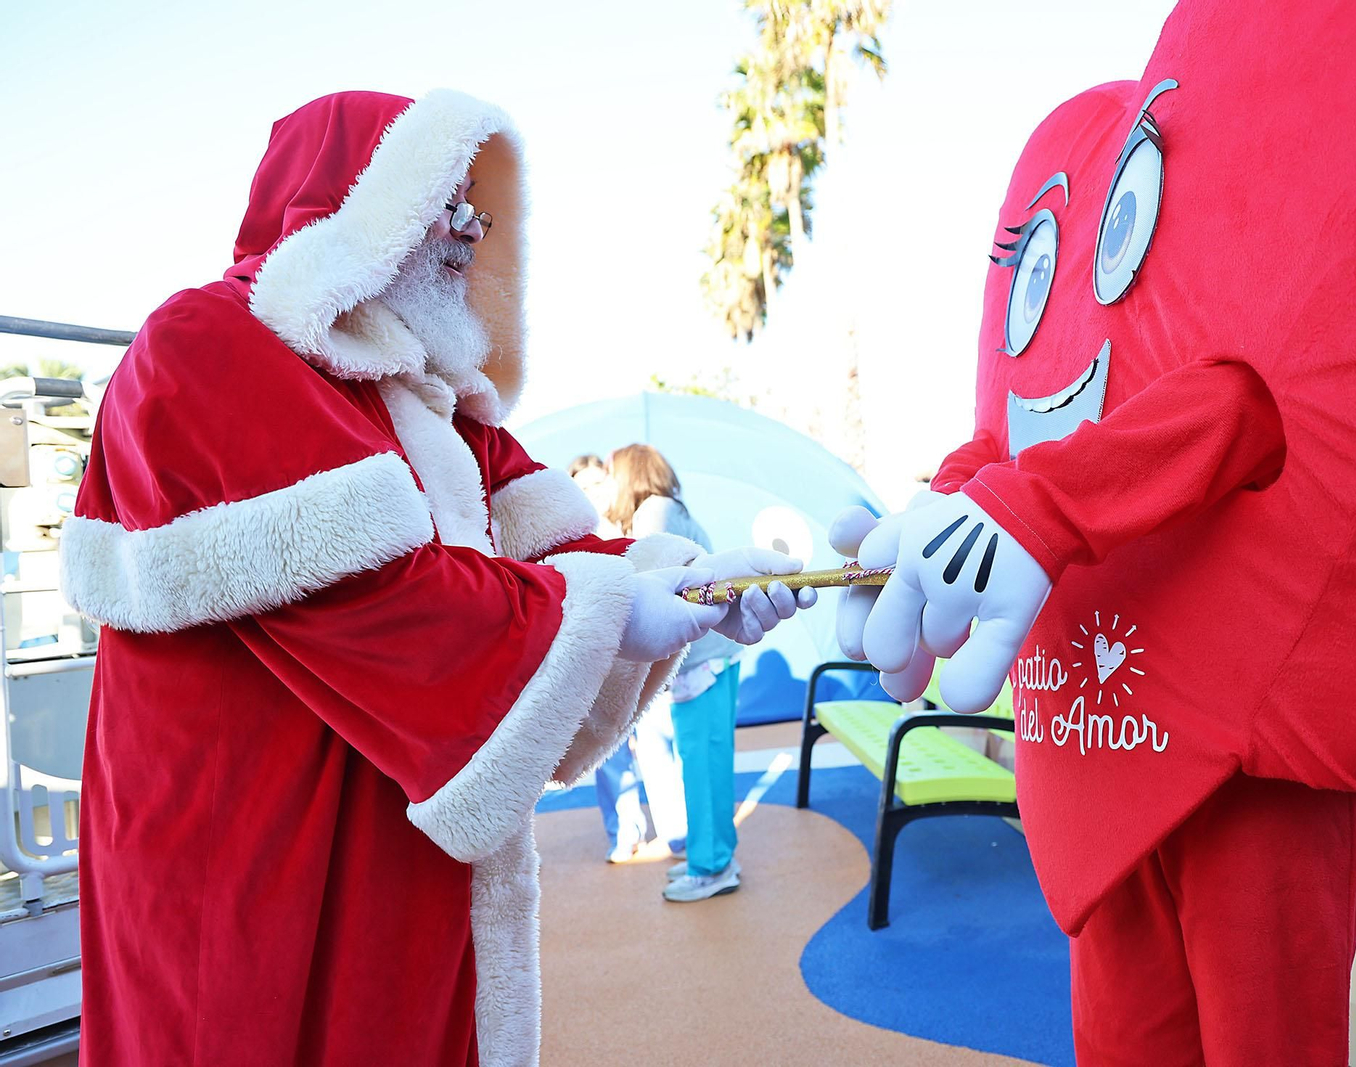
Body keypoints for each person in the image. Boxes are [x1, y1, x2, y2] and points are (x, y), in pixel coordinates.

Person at [834, 1, 1356, 1062]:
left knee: (1261, 1033)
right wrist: (924, 520)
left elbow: (1234, 408)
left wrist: (1034, 509)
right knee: (1124, 1031)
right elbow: (1014, 422)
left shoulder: (1254, 303)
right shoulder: (1125, 265)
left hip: (1250, 758)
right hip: (1106, 749)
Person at [61, 90, 810, 1066]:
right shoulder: (210, 345)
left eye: (478, 210)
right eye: (442, 203)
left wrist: (699, 589)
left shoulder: (436, 405)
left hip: (396, 874)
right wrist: (618, 607)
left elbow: (556, 567)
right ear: (361, 212)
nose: (470, 231)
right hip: (247, 867)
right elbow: (380, 600)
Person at [607, 444, 786, 902]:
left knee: (703, 764)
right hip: (711, 657)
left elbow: (653, 578)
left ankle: (712, 866)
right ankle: (711, 854)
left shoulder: (655, 512)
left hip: (703, 661)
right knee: (705, 760)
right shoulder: (670, 508)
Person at [568, 454, 651, 863]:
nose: (592, 492)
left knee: (657, 747)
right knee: (610, 753)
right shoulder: (573, 535)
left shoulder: (634, 526)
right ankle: (625, 830)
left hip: (648, 656)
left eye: (598, 483)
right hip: (602, 659)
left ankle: (678, 830)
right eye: (583, 486)